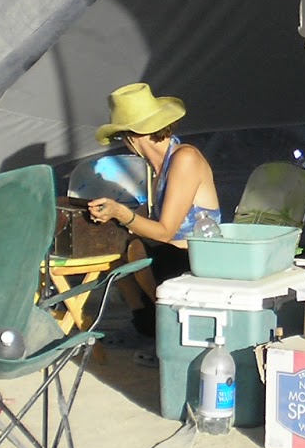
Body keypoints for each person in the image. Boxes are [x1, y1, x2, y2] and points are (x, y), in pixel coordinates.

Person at [88, 82, 221, 335]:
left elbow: (165, 231)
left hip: (195, 261)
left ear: (132, 136)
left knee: (136, 249)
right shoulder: (159, 166)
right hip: (173, 258)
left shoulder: (185, 158)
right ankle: (148, 321)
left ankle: (164, 321)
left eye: (122, 137)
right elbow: (154, 218)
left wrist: (122, 214)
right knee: (115, 251)